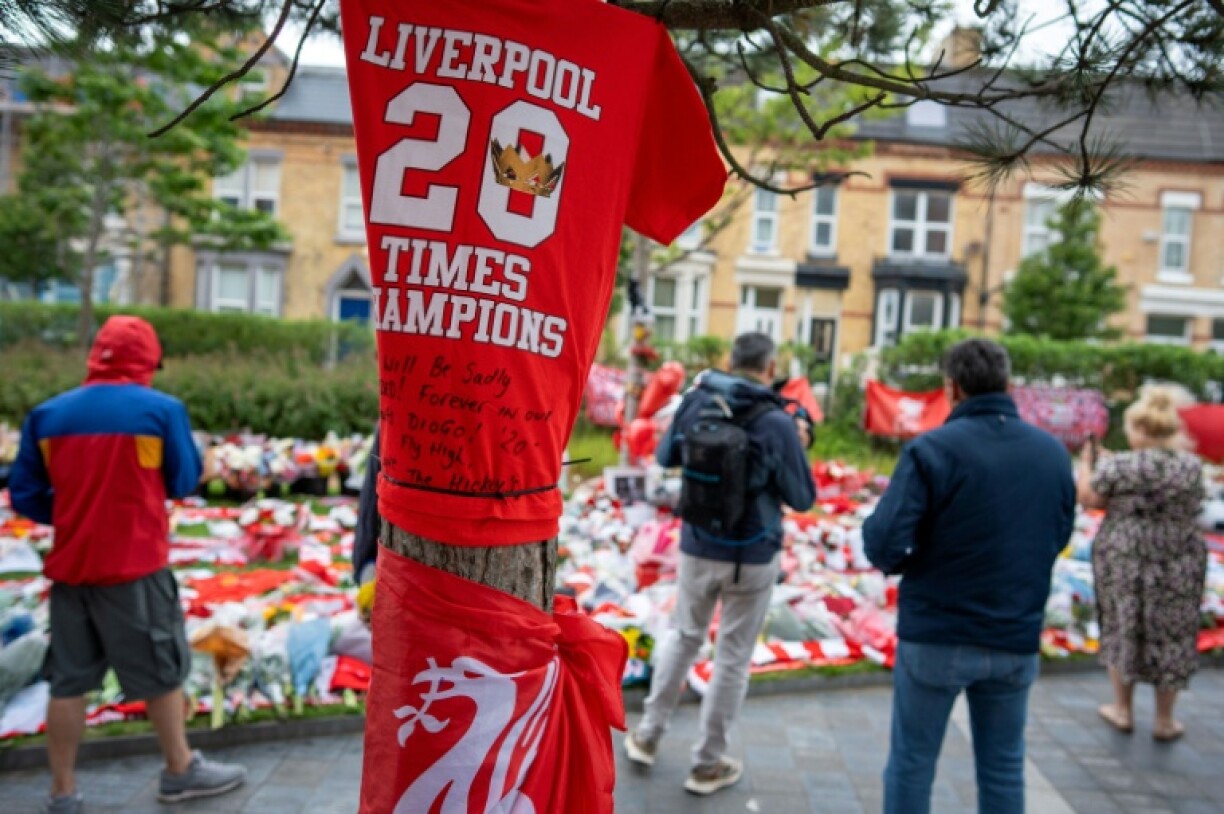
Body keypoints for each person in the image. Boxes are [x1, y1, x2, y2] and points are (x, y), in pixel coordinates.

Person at [9, 316, 246, 813]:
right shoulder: (161, 411)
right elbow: (182, 480)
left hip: (72, 571)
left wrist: (76, 515)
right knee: (161, 673)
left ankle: (63, 792)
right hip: (135, 567)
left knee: (69, 680)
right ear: (148, 362)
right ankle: (180, 770)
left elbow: (26, 494)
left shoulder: (48, 415)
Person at [862, 338, 1075, 814]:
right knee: (1003, 766)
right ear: (1009, 386)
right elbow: (1058, 533)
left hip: (938, 631)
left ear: (951, 389)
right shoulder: (1051, 454)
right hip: (1013, 631)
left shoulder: (932, 449)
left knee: (912, 764)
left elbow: (884, 543)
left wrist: (910, 560)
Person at [623, 332, 815, 796]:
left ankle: (647, 736)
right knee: (732, 657)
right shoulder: (777, 421)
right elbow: (803, 497)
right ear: (770, 369)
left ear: (731, 361)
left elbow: (666, 455)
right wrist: (798, 444)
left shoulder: (697, 401)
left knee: (683, 635)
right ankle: (707, 763)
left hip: (698, 544)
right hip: (752, 554)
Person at [1077, 385, 1207, 742]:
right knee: (1173, 634)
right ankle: (1165, 719)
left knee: (1124, 625)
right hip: (1179, 558)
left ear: (1142, 429)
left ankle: (1123, 709)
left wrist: (1089, 464)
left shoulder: (1121, 465)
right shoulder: (1190, 466)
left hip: (1125, 558)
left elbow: (1089, 499)